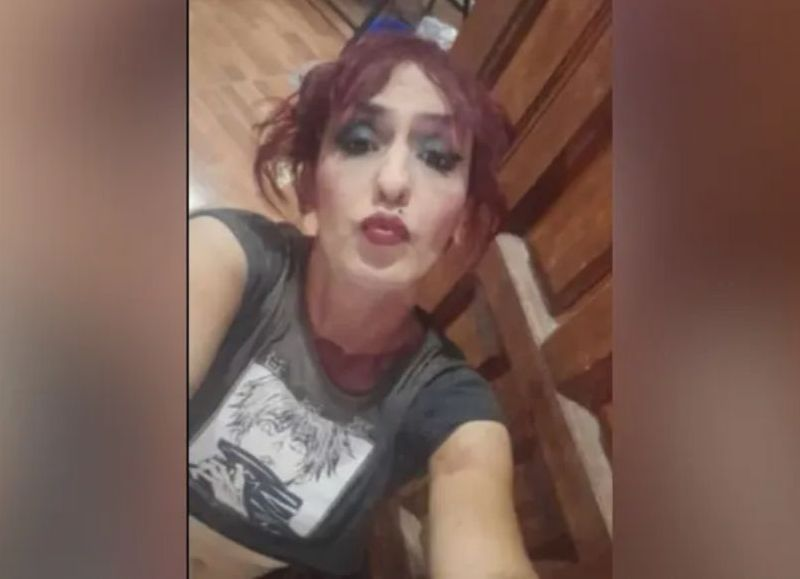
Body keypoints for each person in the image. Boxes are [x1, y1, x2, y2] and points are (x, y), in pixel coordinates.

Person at [189, 33, 538, 579]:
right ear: (309, 183)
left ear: (462, 220)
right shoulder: (228, 257)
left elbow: (480, 522)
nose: (393, 181)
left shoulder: (450, 401)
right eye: (358, 141)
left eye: (437, 157)